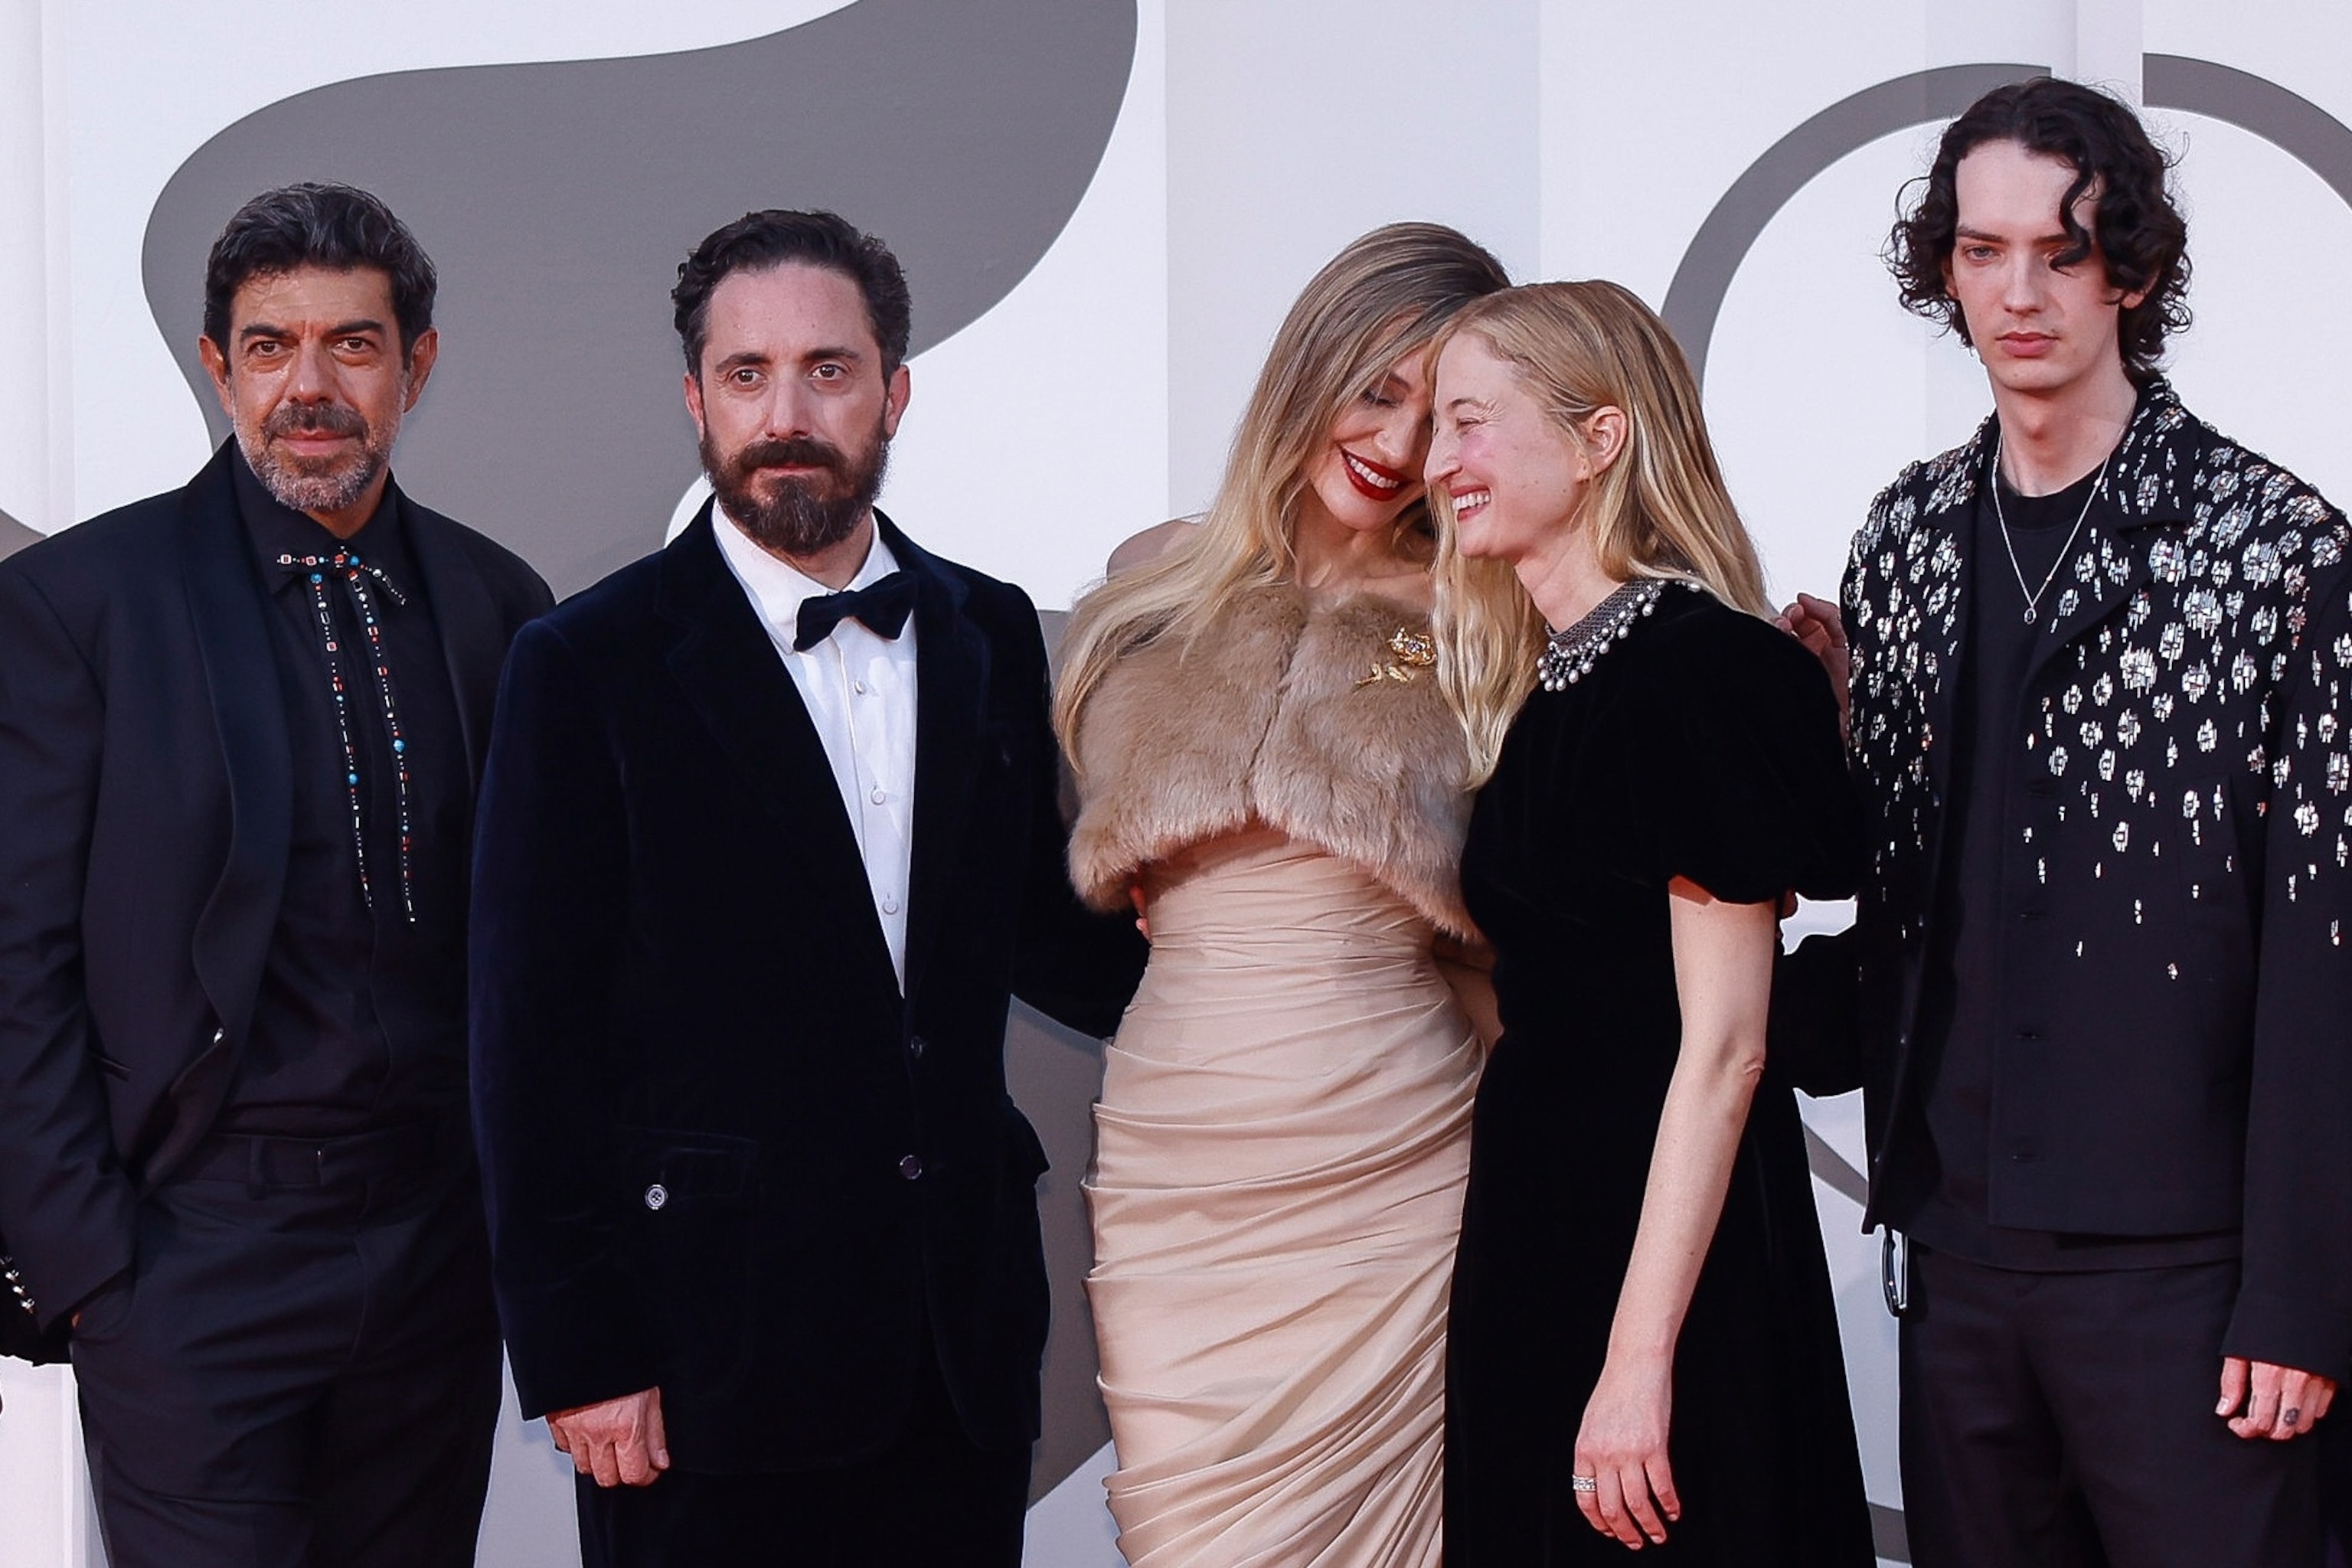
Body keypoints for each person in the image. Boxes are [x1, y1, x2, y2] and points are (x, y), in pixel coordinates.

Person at [469, 208, 1145, 1568]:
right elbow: (525, 1040)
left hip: (953, 1342)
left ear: (894, 391)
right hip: (700, 1351)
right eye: (747, 375)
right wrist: (581, 1347)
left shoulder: (989, 629)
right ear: (695, 401)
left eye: (828, 371)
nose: (787, 413)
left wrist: (1265, 923)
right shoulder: (584, 662)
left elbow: (1041, 940)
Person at [1776, 77, 2348, 1565]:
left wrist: (2300, 1291)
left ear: (2135, 268)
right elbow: (1896, 891)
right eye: (1981, 252)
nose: (2018, 293)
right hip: (1953, 1260)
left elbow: (2327, 952)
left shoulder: (2278, 549)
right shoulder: (1902, 537)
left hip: (2191, 1280)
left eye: (2064, 250)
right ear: (1945, 268)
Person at [0, 184, 550, 1567]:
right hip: (193, 1259)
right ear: (217, 366)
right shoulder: (80, 606)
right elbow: (14, 961)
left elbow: (547, 952)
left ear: (417, 364)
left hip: (434, 1257)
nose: (309, 387)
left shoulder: (503, 609)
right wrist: (92, 1276)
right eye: (269, 346)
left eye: (352, 345)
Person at [1053, 222, 1521, 1566]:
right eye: (1376, 387)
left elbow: (1546, 900)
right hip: (1176, 1160)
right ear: (1305, 368)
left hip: (1402, 1154)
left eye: (1441, 414)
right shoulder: (1151, 584)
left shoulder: (1489, 613)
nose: (1395, 440)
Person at [1424, 280, 1875, 1565]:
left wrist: (1638, 1360)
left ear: (1599, 438)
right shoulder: (1544, 688)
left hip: (1674, 1264)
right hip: (1538, 1231)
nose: (1437, 460)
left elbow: (1726, 1049)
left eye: (1470, 422)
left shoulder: (1703, 673)